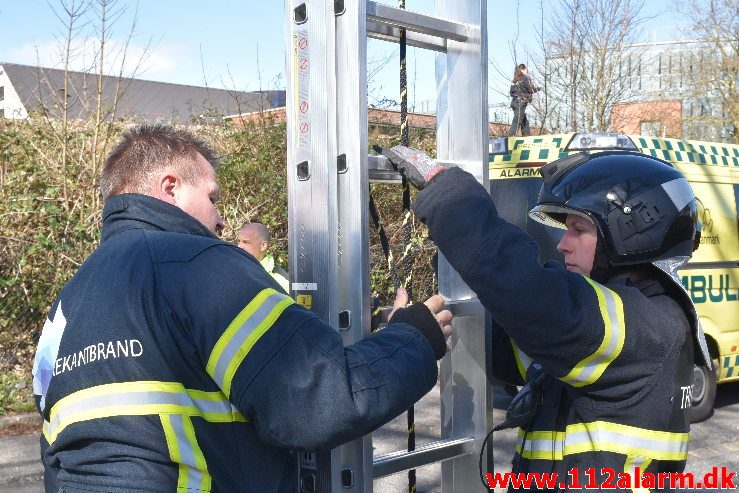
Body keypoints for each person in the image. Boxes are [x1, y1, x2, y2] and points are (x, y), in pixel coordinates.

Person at [31, 124, 453, 493]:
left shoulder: (65, 307)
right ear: (170, 187)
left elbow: (58, 459)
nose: (220, 220)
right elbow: (320, 400)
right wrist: (414, 336)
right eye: (213, 197)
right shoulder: (199, 266)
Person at [380, 145, 711, 491]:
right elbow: (513, 344)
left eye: (579, 230)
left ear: (632, 234)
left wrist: (450, 198)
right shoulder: (613, 332)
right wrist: (414, 328)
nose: (563, 244)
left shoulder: (650, 326)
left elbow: (529, 294)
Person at [238, 222, 290, 292]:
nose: (239, 246)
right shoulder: (232, 269)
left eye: (246, 242)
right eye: (239, 241)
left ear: (263, 246)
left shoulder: (282, 281)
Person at [508, 63, 540, 137]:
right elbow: (531, 90)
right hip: (521, 103)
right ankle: (511, 138)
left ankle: (527, 136)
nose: (527, 72)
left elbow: (511, 92)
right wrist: (539, 88)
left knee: (524, 121)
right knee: (517, 120)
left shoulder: (515, 79)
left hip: (514, 103)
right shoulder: (525, 78)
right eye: (526, 70)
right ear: (523, 69)